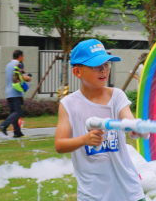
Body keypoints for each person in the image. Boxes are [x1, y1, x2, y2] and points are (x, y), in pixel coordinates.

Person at [54, 39, 145, 201]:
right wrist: (85, 139)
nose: (103, 70)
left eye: (106, 65)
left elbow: (129, 122)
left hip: (128, 191)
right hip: (93, 194)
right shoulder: (68, 104)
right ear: (77, 72)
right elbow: (60, 144)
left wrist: (136, 128)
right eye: (96, 66)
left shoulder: (117, 96)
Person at [0, 50, 32, 138]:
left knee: (13, 112)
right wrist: (28, 78)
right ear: (20, 56)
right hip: (16, 92)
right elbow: (22, 76)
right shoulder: (19, 64)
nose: (23, 58)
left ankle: (17, 132)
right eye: (23, 56)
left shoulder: (8, 65)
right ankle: (3, 125)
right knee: (18, 112)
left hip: (8, 93)